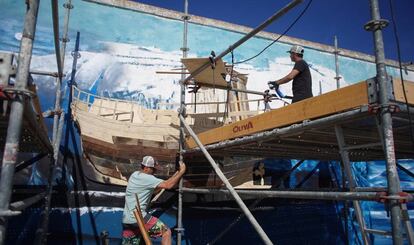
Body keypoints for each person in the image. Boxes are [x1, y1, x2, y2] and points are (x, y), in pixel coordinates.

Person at [122, 156, 186, 245]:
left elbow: (152, 190)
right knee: (166, 232)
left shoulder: (134, 175)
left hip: (127, 220)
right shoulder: (148, 178)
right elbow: (168, 185)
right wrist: (181, 171)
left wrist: (175, 174)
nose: (154, 172)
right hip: (139, 218)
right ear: (146, 168)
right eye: (153, 169)